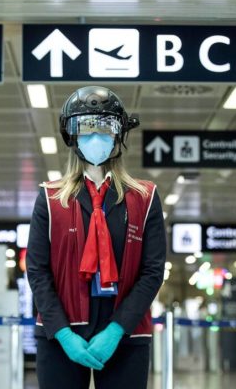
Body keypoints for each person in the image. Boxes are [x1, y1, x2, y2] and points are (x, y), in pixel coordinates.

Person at [27, 86, 166, 389]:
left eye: (104, 127)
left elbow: (152, 271)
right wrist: (64, 334)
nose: (95, 137)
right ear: (72, 135)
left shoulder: (144, 198)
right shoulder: (50, 199)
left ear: (119, 134)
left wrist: (116, 330)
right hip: (60, 334)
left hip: (126, 334)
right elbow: (37, 271)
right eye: (86, 128)